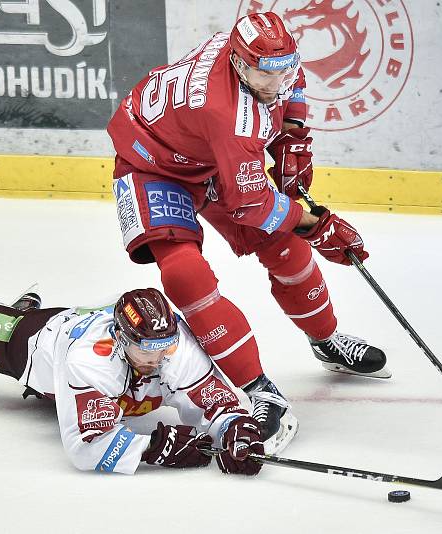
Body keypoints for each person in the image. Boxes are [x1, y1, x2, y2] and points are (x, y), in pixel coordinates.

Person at [106, 11, 389, 448]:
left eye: (284, 70)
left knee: (285, 250)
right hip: (152, 165)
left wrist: (292, 131)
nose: (277, 83)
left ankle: (326, 339)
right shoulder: (229, 115)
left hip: (207, 153)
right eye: (265, 75)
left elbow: (286, 83)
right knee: (185, 275)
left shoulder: (259, 57)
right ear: (239, 65)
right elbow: (252, 203)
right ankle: (261, 392)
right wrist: (318, 225)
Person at [0, 271, 265, 476]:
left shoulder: (174, 344)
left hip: (87, 332)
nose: (158, 357)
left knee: (186, 397)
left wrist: (231, 428)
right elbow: (86, 448)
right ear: (120, 337)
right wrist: (154, 447)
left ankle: (22, 305)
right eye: (146, 348)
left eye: (164, 346)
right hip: (37, 344)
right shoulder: (88, 360)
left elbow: (214, 402)